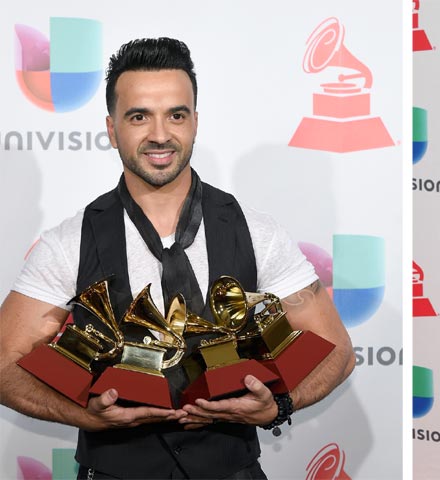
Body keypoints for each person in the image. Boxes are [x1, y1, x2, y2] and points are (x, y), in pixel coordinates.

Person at [0, 37, 355, 479]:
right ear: (112, 129)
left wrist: (278, 405)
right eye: (138, 116)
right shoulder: (69, 242)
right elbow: (4, 366)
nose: (160, 134)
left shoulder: (255, 232)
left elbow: (336, 350)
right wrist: (83, 416)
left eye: (176, 115)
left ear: (195, 123)